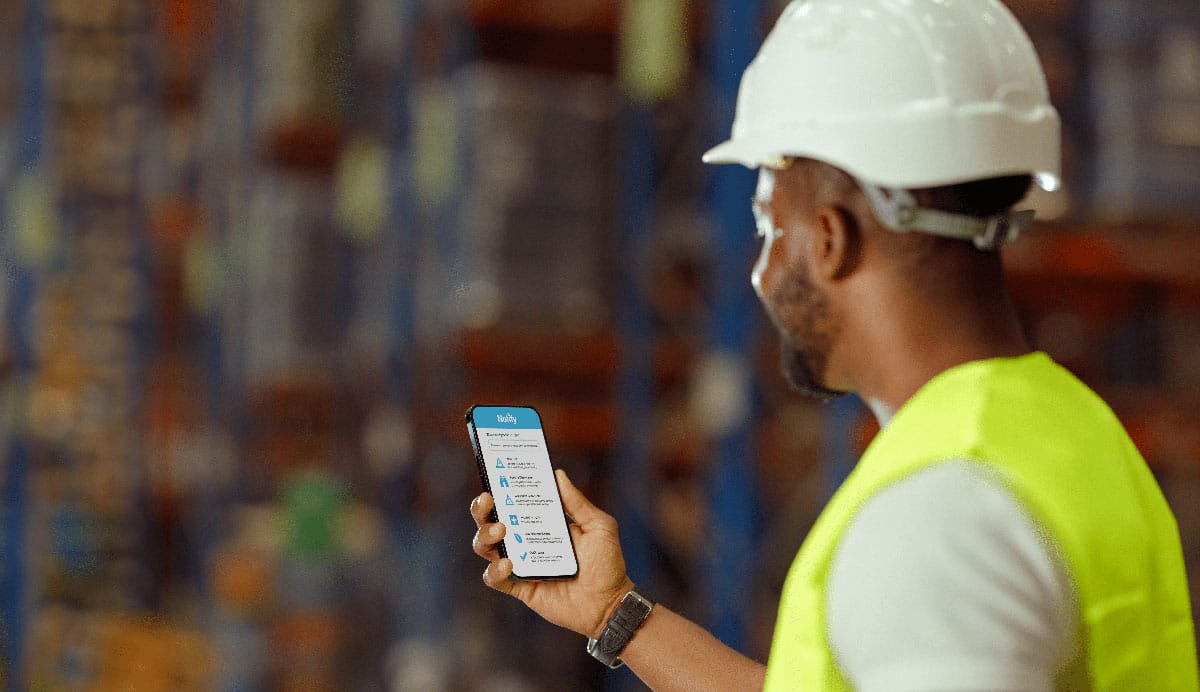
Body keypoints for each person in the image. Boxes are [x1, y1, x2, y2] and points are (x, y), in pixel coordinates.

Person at [470, 0, 1200, 689]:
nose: (762, 272)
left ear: (828, 239)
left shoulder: (940, 518)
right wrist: (614, 613)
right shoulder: (1062, 430)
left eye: (768, 227)